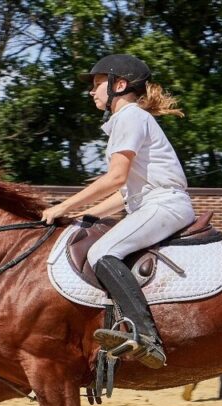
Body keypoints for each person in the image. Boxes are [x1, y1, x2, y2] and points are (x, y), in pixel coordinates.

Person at [42, 54, 195, 369]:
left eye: (97, 84)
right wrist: (87, 216)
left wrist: (64, 205)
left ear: (119, 85)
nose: (92, 92)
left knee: (101, 253)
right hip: (152, 203)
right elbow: (125, 196)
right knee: (102, 242)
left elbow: (115, 178)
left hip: (164, 203)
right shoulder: (129, 119)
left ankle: (146, 337)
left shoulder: (129, 116)